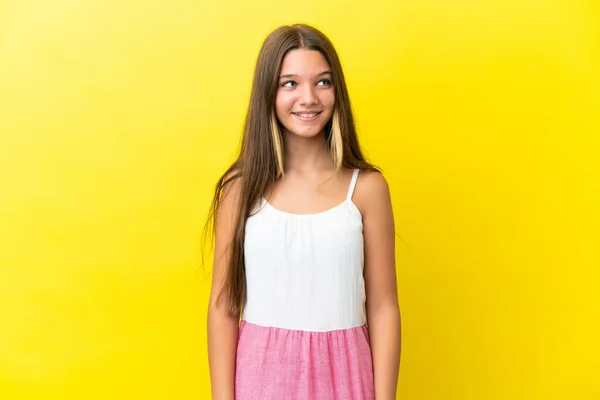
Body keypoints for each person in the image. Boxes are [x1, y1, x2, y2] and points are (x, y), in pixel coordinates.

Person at [206, 23, 401, 400]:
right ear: (268, 93)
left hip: (346, 375)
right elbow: (223, 306)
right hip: (261, 377)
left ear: (337, 91)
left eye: (323, 82)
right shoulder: (239, 190)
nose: (308, 97)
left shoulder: (366, 189)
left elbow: (383, 308)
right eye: (290, 83)